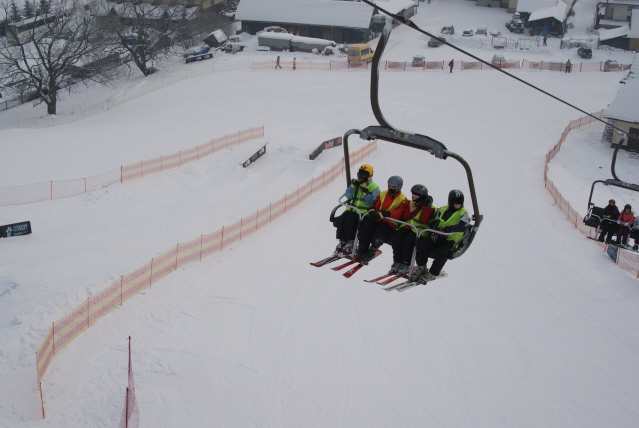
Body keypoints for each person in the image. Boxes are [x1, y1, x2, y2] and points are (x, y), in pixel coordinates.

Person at [410, 189, 470, 282]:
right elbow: (435, 221)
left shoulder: (463, 213)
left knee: (443, 252)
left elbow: (463, 226)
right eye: (455, 203)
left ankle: (433, 273)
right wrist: (433, 231)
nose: (458, 205)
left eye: (460, 203)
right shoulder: (443, 209)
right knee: (422, 244)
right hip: (439, 235)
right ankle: (421, 267)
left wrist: (449, 229)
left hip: (451, 239)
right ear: (450, 202)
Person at [354, 176, 408, 262]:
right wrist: (372, 209)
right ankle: (362, 250)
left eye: (393, 187)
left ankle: (372, 251)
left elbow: (400, 213)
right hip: (378, 218)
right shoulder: (383, 194)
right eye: (389, 186)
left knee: (379, 234)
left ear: (398, 187)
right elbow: (376, 204)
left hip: (390, 222)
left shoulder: (403, 199)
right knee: (364, 228)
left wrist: (387, 213)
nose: (390, 188)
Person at [388, 184, 436, 275]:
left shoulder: (429, 208)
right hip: (408, 227)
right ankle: (397, 261)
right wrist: (411, 210)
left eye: (416, 196)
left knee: (408, 242)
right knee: (396, 239)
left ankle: (406, 263)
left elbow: (424, 220)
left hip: (420, 231)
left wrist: (427, 206)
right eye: (413, 195)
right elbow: (406, 217)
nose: (414, 198)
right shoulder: (411, 203)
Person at [333, 164, 380, 255]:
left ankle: (350, 242)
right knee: (341, 220)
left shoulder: (374, 187)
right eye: (359, 174)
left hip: (363, 212)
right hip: (351, 209)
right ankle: (342, 240)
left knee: (349, 221)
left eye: (363, 175)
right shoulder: (356, 183)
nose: (360, 177)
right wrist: (352, 187)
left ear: (369, 176)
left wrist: (365, 191)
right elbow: (348, 195)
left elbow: (372, 203)